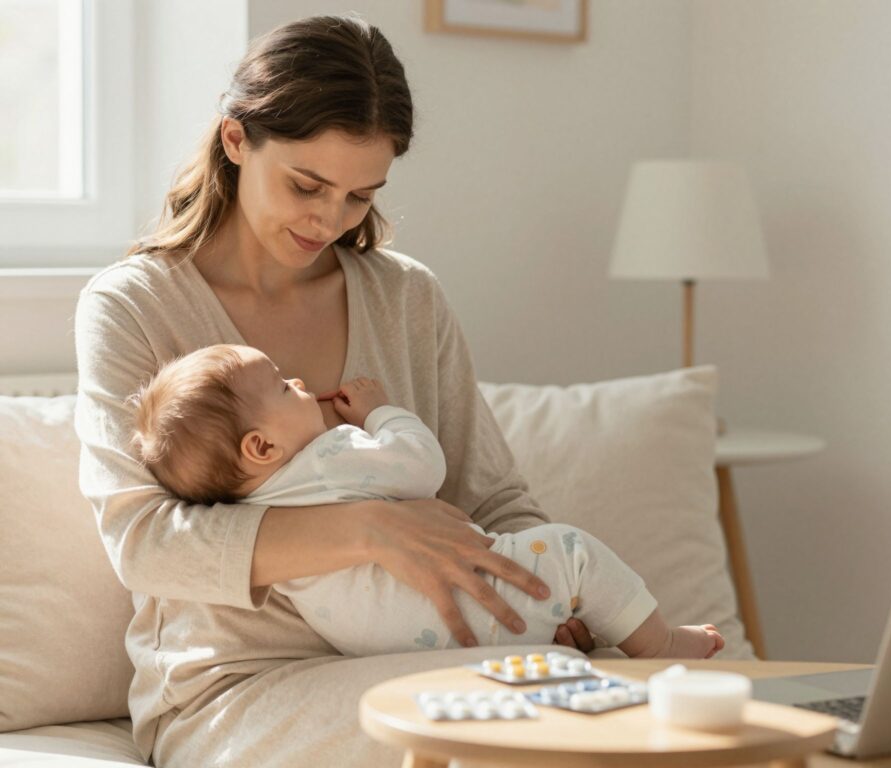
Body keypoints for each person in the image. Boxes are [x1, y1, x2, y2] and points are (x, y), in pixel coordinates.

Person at [74, 13, 608, 767]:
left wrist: (551, 602)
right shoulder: (134, 305)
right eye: (307, 184)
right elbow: (145, 544)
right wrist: (369, 529)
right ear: (236, 141)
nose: (329, 219)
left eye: (361, 195)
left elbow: (494, 500)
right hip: (237, 688)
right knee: (531, 718)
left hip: (435, 650)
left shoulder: (407, 299)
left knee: (602, 698)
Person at [128, 343, 726, 660]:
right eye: (285, 386)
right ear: (260, 445)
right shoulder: (332, 456)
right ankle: (661, 644)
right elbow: (423, 466)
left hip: (379, 646)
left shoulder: (254, 513)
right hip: (460, 608)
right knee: (575, 552)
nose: (302, 384)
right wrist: (377, 412)